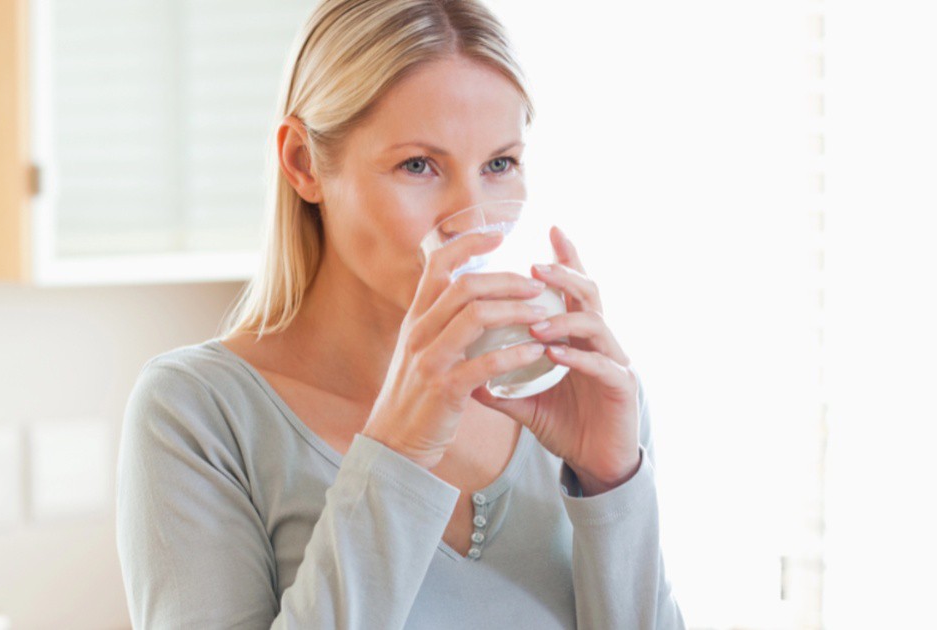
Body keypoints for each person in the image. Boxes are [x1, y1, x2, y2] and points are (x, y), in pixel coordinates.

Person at [117, 0, 687, 627]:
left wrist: (612, 485)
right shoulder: (197, 415)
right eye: (418, 165)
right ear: (304, 164)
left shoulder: (574, 395)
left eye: (500, 164)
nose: (476, 222)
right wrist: (398, 452)